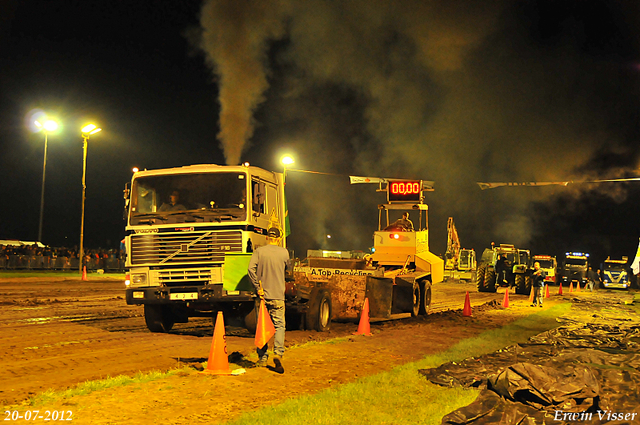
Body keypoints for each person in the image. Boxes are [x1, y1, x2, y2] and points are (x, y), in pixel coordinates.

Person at [247, 227, 290, 373]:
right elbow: (288, 269)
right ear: (278, 239)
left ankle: (262, 359)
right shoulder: (284, 252)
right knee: (279, 326)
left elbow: (250, 269)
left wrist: (256, 285)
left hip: (262, 296)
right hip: (278, 295)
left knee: (262, 327)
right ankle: (278, 353)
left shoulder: (259, 252)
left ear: (267, 237)